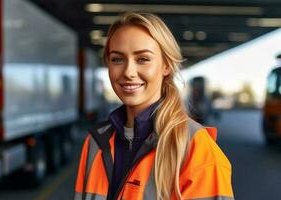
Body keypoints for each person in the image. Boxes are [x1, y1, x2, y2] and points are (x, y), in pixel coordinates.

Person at [75, 12, 234, 200]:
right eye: (117, 59)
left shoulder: (198, 151)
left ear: (166, 66)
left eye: (142, 59)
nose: (128, 72)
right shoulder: (95, 143)